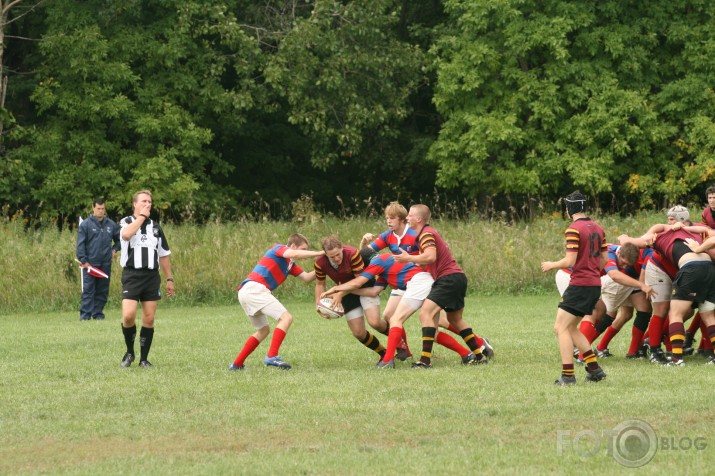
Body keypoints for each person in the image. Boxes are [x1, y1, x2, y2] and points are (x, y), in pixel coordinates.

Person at [396, 204, 490, 368]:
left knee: (426, 314)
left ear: (419, 219)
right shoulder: (426, 234)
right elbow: (428, 262)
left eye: (410, 215)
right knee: (455, 319)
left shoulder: (426, 234)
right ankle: (479, 356)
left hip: (448, 279)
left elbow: (430, 257)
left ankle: (425, 361)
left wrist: (409, 258)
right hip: (457, 278)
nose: (407, 217)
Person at [619, 222, 715, 366]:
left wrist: (623, 236)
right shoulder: (694, 231)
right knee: (707, 314)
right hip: (707, 269)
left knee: (675, 313)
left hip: (690, 268)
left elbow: (630, 242)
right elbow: (707, 230)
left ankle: (676, 358)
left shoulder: (657, 236)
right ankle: (655, 349)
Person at [321, 252, 435, 368]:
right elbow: (374, 291)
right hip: (423, 282)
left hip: (419, 283)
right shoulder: (384, 268)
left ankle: (388, 360)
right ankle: (410, 357)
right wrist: (347, 291)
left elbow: (359, 282)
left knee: (395, 319)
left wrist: (336, 289)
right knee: (442, 321)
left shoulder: (378, 261)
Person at [230, 234, 325, 371]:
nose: (305, 251)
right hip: (255, 289)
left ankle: (237, 364)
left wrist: (325, 267)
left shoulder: (290, 264)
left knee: (263, 330)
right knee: (286, 318)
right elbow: (296, 254)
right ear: (292, 245)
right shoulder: (279, 249)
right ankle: (272, 356)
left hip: (246, 291)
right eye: (303, 248)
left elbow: (306, 277)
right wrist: (321, 253)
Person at [541, 191, 608, 385]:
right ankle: (594, 370)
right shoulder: (598, 228)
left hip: (580, 284)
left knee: (560, 327)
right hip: (594, 284)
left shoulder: (573, 229)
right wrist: (592, 272)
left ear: (569, 209)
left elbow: (570, 260)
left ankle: (568, 376)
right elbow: (604, 259)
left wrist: (551, 265)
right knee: (570, 327)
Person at [118, 190, 175, 368]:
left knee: (149, 319)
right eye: (143, 201)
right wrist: (141, 217)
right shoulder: (126, 222)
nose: (148, 204)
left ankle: (144, 359)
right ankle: (129, 352)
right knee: (128, 316)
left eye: (150, 202)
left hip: (151, 276)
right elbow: (126, 235)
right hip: (132, 274)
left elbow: (164, 255)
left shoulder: (156, 227)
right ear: (135, 204)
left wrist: (169, 279)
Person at [314, 235, 389, 362]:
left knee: (375, 322)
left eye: (338, 254)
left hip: (364, 287)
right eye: (332, 256)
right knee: (359, 333)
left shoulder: (352, 254)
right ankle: (384, 353)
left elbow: (358, 282)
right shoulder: (320, 263)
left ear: (342, 248)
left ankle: (399, 342)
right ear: (326, 255)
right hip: (345, 292)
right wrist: (319, 305)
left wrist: (339, 293)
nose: (336, 258)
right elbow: (320, 284)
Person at [76, 198, 120, 321]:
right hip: (90, 264)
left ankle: (98, 314)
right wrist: (84, 261)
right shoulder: (85, 225)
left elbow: (119, 240)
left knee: (102, 290)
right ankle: (85, 316)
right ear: (93, 208)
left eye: (102, 209)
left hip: (105, 264)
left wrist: (115, 249)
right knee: (89, 290)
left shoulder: (111, 224)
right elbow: (80, 245)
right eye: (98, 209)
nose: (100, 211)